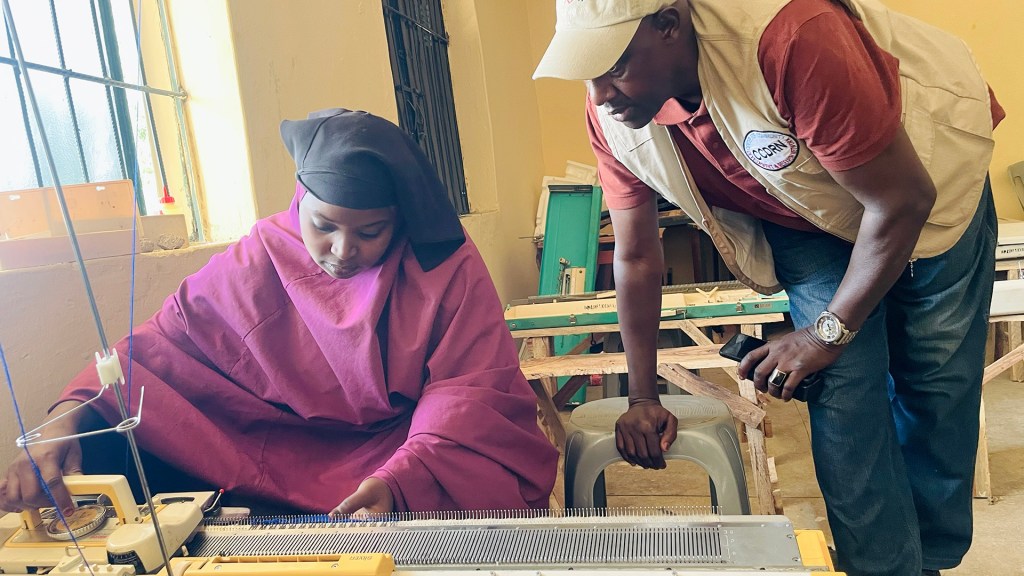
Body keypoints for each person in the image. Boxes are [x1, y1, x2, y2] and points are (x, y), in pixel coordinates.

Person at [534, 1, 1002, 575]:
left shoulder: (792, 37)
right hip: (805, 215)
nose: (601, 93)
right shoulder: (613, 116)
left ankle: (929, 558)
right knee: (842, 392)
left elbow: (903, 199)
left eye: (615, 66)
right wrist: (642, 397)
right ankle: (882, 566)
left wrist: (824, 334)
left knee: (935, 379)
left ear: (669, 24)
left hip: (925, 179)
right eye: (589, 73)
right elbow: (636, 257)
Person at [0, 109, 558, 517]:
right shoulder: (263, 252)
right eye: (323, 226)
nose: (343, 251)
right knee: (104, 435)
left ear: (400, 220)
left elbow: (471, 393)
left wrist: (402, 482)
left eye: (370, 232)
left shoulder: (444, 264)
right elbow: (159, 350)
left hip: (395, 453)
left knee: (476, 484)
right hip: (261, 450)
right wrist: (64, 417)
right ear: (298, 203)